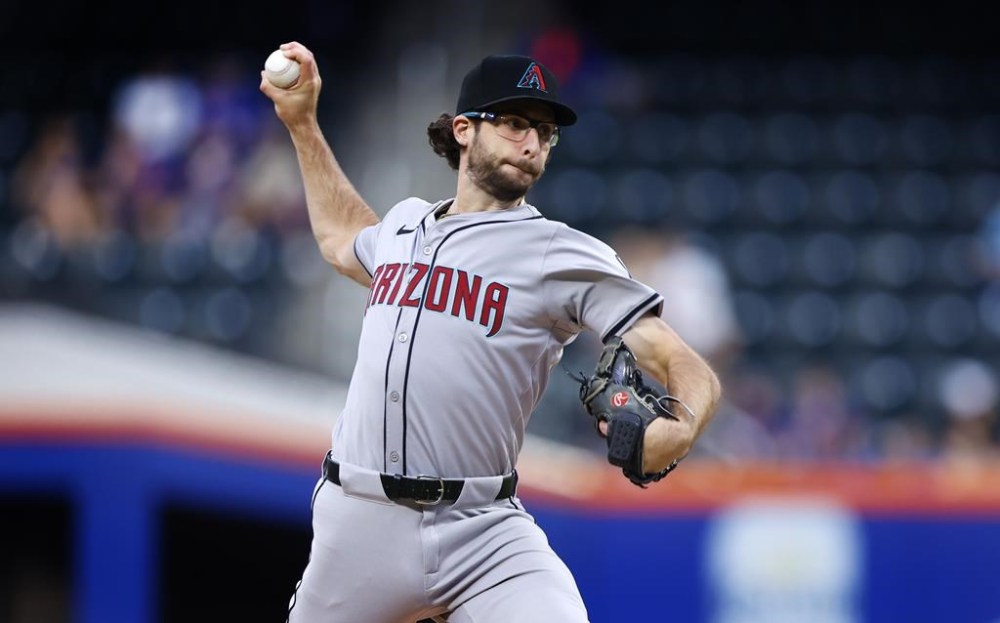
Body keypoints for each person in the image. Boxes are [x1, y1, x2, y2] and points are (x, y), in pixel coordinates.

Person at [261, 41, 722, 623]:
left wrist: (680, 429)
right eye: (512, 123)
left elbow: (683, 363)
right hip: (357, 519)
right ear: (462, 130)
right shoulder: (404, 224)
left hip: (482, 530)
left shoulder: (561, 253)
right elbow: (339, 239)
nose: (531, 142)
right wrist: (302, 123)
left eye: (545, 132)